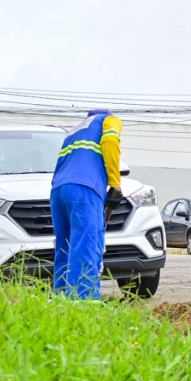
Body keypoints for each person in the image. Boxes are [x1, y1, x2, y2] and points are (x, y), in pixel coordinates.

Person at [50, 108, 123, 300]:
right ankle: (83, 307)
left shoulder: (75, 130)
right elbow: (110, 141)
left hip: (58, 191)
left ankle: (59, 303)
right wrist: (115, 183)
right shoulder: (109, 120)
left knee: (64, 249)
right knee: (85, 248)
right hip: (85, 189)